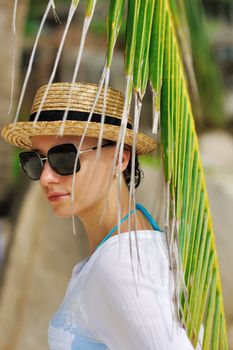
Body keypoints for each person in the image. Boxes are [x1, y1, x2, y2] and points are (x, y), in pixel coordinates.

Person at [1, 82, 194, 349]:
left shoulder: (121, 264)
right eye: (36, 160)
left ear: (119, 159)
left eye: (64, 158)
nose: (45, 178)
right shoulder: (137, 238)